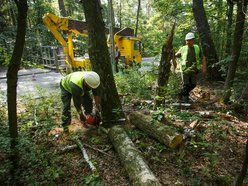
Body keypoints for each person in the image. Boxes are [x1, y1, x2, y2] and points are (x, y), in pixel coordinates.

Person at [175, 32, 206, 103]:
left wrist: (204, 67)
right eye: (186, 40)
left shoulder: (197, 47)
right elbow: (175, 56)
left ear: (193, 40)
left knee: (193, 84)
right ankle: (185, 101)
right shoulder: (182, 48)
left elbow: (202, 58)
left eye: (189, 40)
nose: (187, 42)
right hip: (184, 70)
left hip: (194, 70)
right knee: (185, 84)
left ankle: (181, 94)